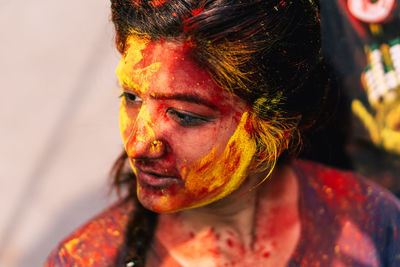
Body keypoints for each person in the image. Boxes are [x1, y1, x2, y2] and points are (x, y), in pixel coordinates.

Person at [45, 0, 400, 266]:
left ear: (276, 125)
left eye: (184, 115)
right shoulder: (86, 258)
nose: (139, 144)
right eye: (132, 97)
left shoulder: (370, 219)